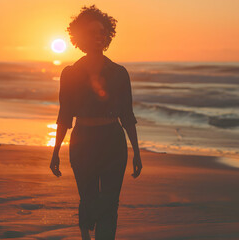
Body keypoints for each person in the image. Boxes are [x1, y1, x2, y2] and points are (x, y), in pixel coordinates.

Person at [50, 5, 142, 240]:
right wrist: (56, 151)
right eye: (91, 32)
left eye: (102, 32)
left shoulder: (119, 73)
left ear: (107, 36)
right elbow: (64, 116)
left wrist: (137, 153)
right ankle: (85, 225)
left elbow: (127, 115)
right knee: (89, 199)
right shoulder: (70, 74)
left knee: (110, 204)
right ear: (80, 37)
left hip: (113, 142)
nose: (98, 37)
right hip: (82, 143)